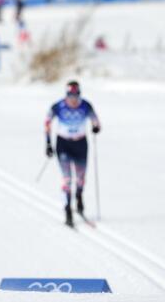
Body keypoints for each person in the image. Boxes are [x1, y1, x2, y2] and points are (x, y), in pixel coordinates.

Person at [45, 81, 101, 227]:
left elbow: (96, 121)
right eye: (70, 96)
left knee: (81, 178)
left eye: (76, 95)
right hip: (63, 144)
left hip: (81, 144)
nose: (73, 99)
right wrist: (48, 144)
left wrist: (96, 127)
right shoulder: (58, 107)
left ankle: (79, 196)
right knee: (67, 179)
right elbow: (47, 122)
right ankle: (68, 209)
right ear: (66, 95)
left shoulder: (86, 106)